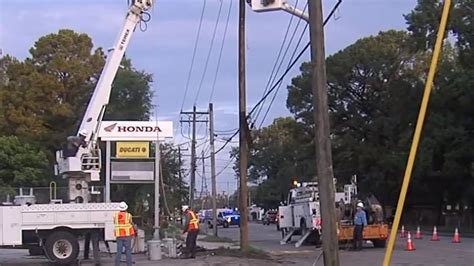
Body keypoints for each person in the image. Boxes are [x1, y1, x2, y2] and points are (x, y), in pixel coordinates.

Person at [114, 201, 135, 266]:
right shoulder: (128, 215)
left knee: (119, 251)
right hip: (127, 235)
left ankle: (117, 264)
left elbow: (115, 222)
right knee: (128, 251)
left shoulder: (115, 215)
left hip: (119, 235)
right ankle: (129, 264)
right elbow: (131, 223)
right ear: (125, 208)